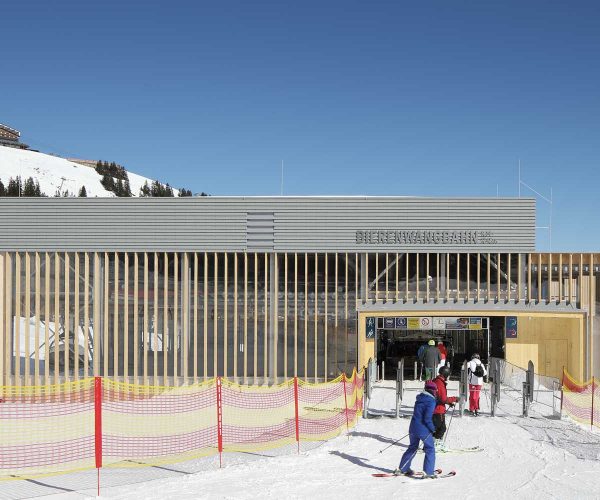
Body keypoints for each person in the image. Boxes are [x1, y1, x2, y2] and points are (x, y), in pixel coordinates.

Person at [394, 380, 438, 478]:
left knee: (412, 447)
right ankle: (428, 471)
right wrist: (433, 429)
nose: (436, 392)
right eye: (435, 390)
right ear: (432, 391)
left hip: (413, 427)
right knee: (430, 449)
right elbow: (427, 418)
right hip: (424, 429)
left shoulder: (420, 398)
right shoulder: (431, 401)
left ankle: (403, 468)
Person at [432, 366, 457, 450]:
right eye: (448, 374)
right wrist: (454, 399)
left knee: (437, 427)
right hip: (438, 409)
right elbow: (443, 398)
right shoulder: (440, 383)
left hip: (435, 408)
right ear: (445, 374)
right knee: (441, 428)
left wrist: (449, 402)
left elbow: (440, 397)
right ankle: (434, 444)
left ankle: (433, 443)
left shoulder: (437, 381)